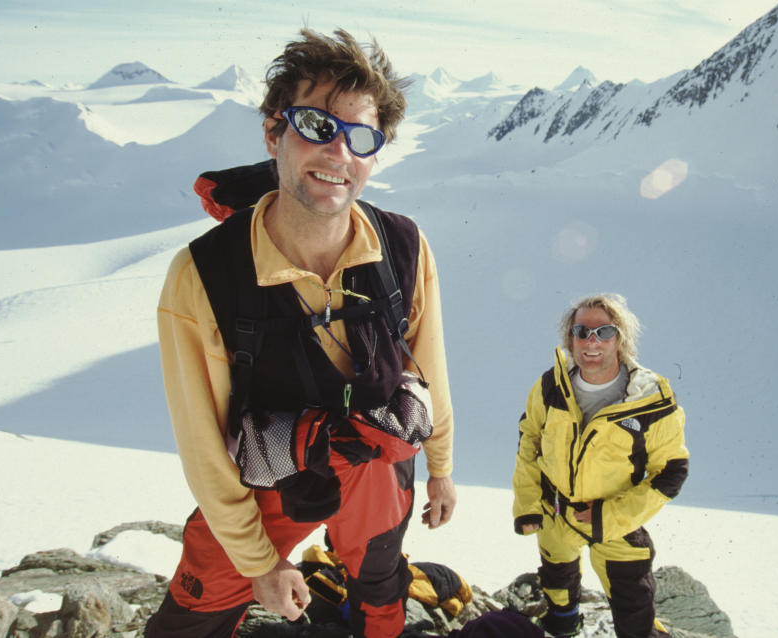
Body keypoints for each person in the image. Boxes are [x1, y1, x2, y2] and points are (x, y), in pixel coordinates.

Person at [147, 29, 456, 638]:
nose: (339, 153)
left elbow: (430, 365)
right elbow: (204, 444)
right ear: (273, 132)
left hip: (376, 459)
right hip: (270, 476)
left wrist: (441, 468)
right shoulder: (204, 274)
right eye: (316, 126)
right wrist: (259, 563)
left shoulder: (403, 246)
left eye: (362, 137)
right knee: (194, 613)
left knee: (379, 580)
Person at [512, 294, 688, 638]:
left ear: (620, 338)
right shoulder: (550, 387)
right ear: (570, 339)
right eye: (582, 331)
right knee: (557, 577)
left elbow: (671, 471)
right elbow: (529, 439)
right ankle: (564, 620)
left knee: (634, 605)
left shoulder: (650, 398)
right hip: (558, 513)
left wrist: (608, 517)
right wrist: (529, 505)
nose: (592, 341)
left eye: (604, 332)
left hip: (616, 522)